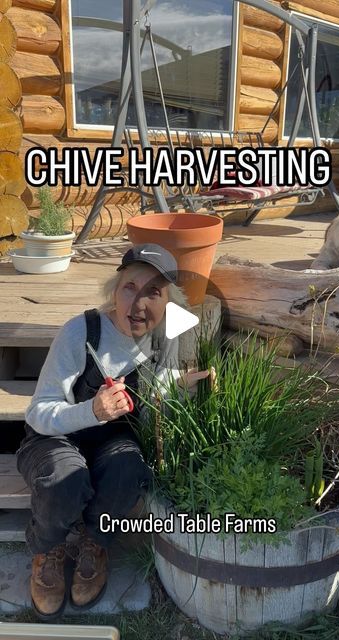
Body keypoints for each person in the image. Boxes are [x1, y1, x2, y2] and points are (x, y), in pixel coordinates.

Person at [16, 243, 211, 620]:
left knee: (129, 470)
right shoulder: (81, 331)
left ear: (170, 303)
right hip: (55, 438)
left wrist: (182, 389)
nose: (138, 304)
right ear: (114, 290)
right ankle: (48, 548)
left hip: (112, 441)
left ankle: (94, 543)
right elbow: (39, 411)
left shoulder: (167, 337)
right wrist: (92, 409)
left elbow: (155, 397)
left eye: (153, 292)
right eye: (129, 288)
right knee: (65, 479)